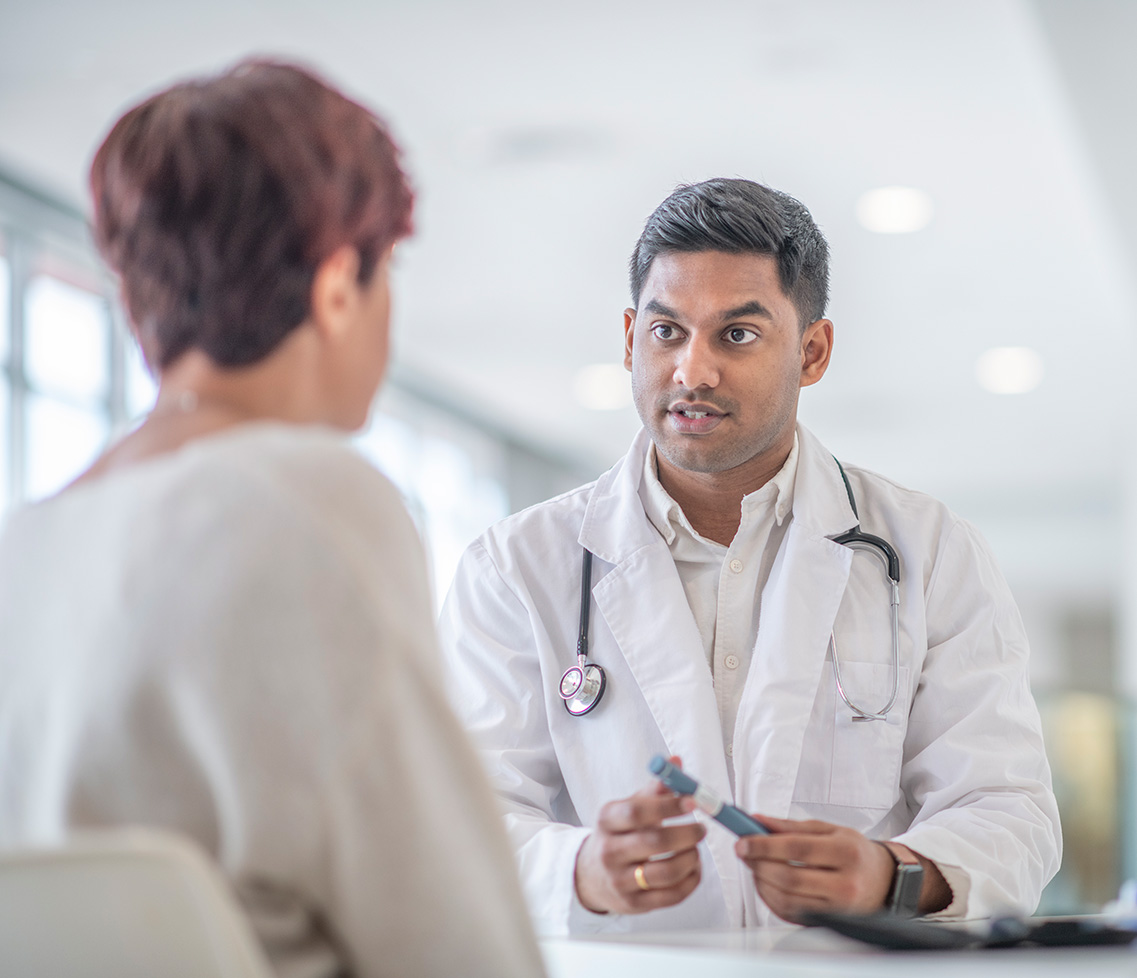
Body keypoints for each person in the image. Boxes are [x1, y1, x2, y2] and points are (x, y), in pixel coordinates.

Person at [0, 61, 544, 978]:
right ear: (337, 287)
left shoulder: (26, 545)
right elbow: (460, 942)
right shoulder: (307, 498)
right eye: (388, 272)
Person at [438, 178, 1061, 936]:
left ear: (812, 351)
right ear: (630, 336)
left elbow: (1010, 811)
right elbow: (458, 829)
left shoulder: (927, 551)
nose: (692, 372)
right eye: (667, 332)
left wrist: (890, 875)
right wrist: (581, 873)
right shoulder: (516, 567)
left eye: (736, 335)